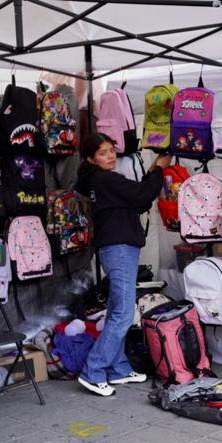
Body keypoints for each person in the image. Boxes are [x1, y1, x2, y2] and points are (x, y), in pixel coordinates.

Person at [74, 133, 170, 396]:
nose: (110, 156)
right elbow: (141, 196)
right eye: (103, 152)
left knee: (117, 308)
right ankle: (93, 371)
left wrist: (152, 172)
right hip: (119, 249)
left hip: (115, 248)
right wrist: (160, 169)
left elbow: (134, 201)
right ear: (91, 158)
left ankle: (118, 369)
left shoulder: (97, 182)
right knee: (124, 313)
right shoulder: (105, 179)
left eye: (111, 150)